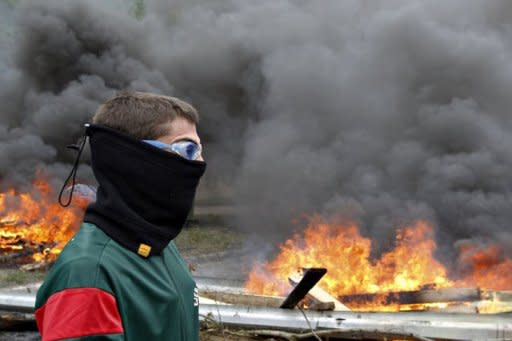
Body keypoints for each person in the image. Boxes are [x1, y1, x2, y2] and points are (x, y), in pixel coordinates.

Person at [35, 91, 206, 341]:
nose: (200, 162)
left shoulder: (159, 245)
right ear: (134, 158)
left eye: (200, 149)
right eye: (187, 149)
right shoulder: (88, 275)